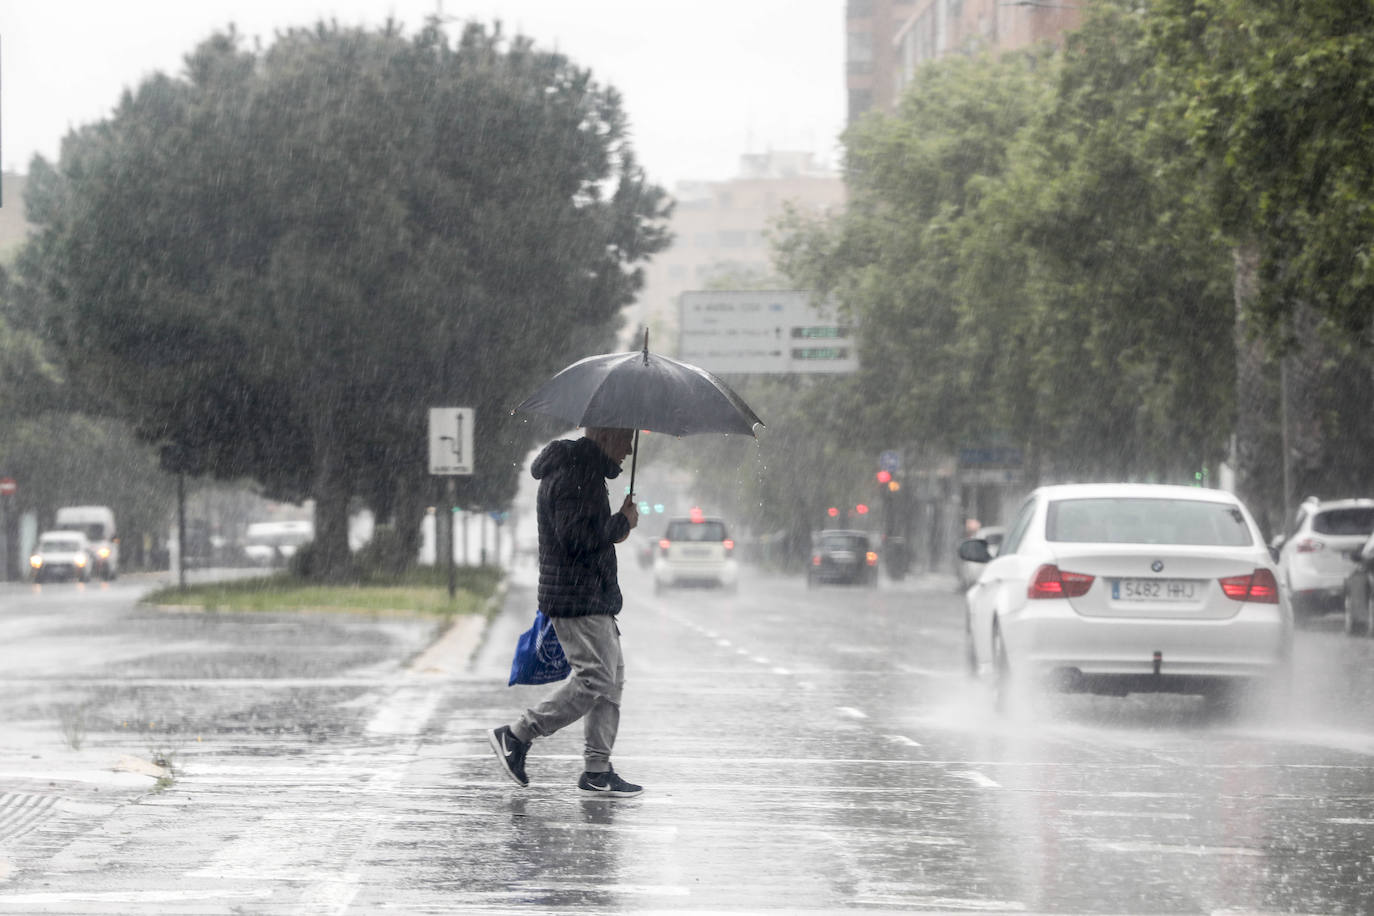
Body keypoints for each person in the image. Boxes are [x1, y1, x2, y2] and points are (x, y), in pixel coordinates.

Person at [488, 426, 642, 797]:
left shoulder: (586, 471)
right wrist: (620, 523)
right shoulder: (575, 473)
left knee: (611, 680)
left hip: (592, 596)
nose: (629, 449)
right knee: (597, 680)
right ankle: (517, 735)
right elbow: (575, 539)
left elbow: (587, 533)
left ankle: (597, 769)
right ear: (605, 436)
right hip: (577, 597)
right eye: (625, 439)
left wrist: (616, 526)